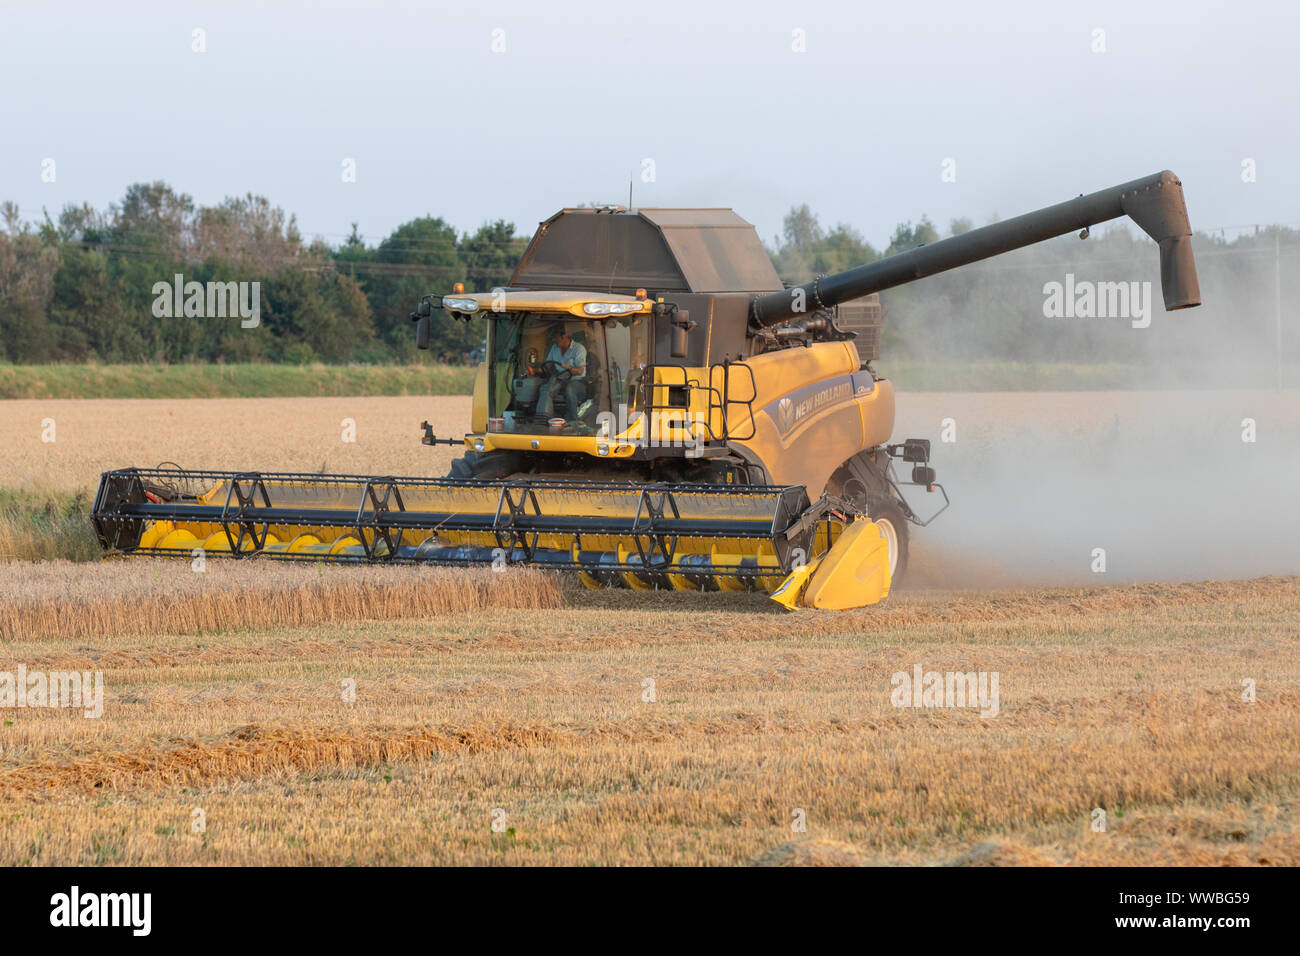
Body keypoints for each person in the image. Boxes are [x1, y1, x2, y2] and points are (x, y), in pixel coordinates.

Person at [536, 328, 587, 420]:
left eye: (556, 338)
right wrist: (535, 370)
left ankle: (573, 421)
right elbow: (548, 364)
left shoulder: (578, 349)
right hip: (560, 377)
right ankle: (544, 418)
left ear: (564, 336)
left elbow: (580, 371)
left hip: (576, 380)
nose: (554, 340)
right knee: (545, 388)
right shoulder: (554, 347)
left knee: (570, 390)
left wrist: (569, 368)